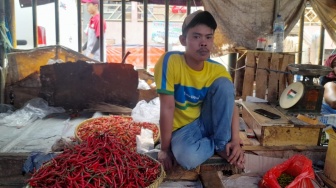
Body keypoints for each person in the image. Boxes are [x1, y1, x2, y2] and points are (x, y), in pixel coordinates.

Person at [154, 10, 245, 171]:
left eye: (208, 37)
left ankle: (223, 144)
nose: (203, 43)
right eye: (196, 37)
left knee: (225, 85)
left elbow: (232, 107)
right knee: (187, 159)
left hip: (206, 121)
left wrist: (236, 140)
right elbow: (167, 108)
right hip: (182, 130)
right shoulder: (170, 61)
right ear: (183, 40)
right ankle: (217, 144)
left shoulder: (217, 70)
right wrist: (164, 149)